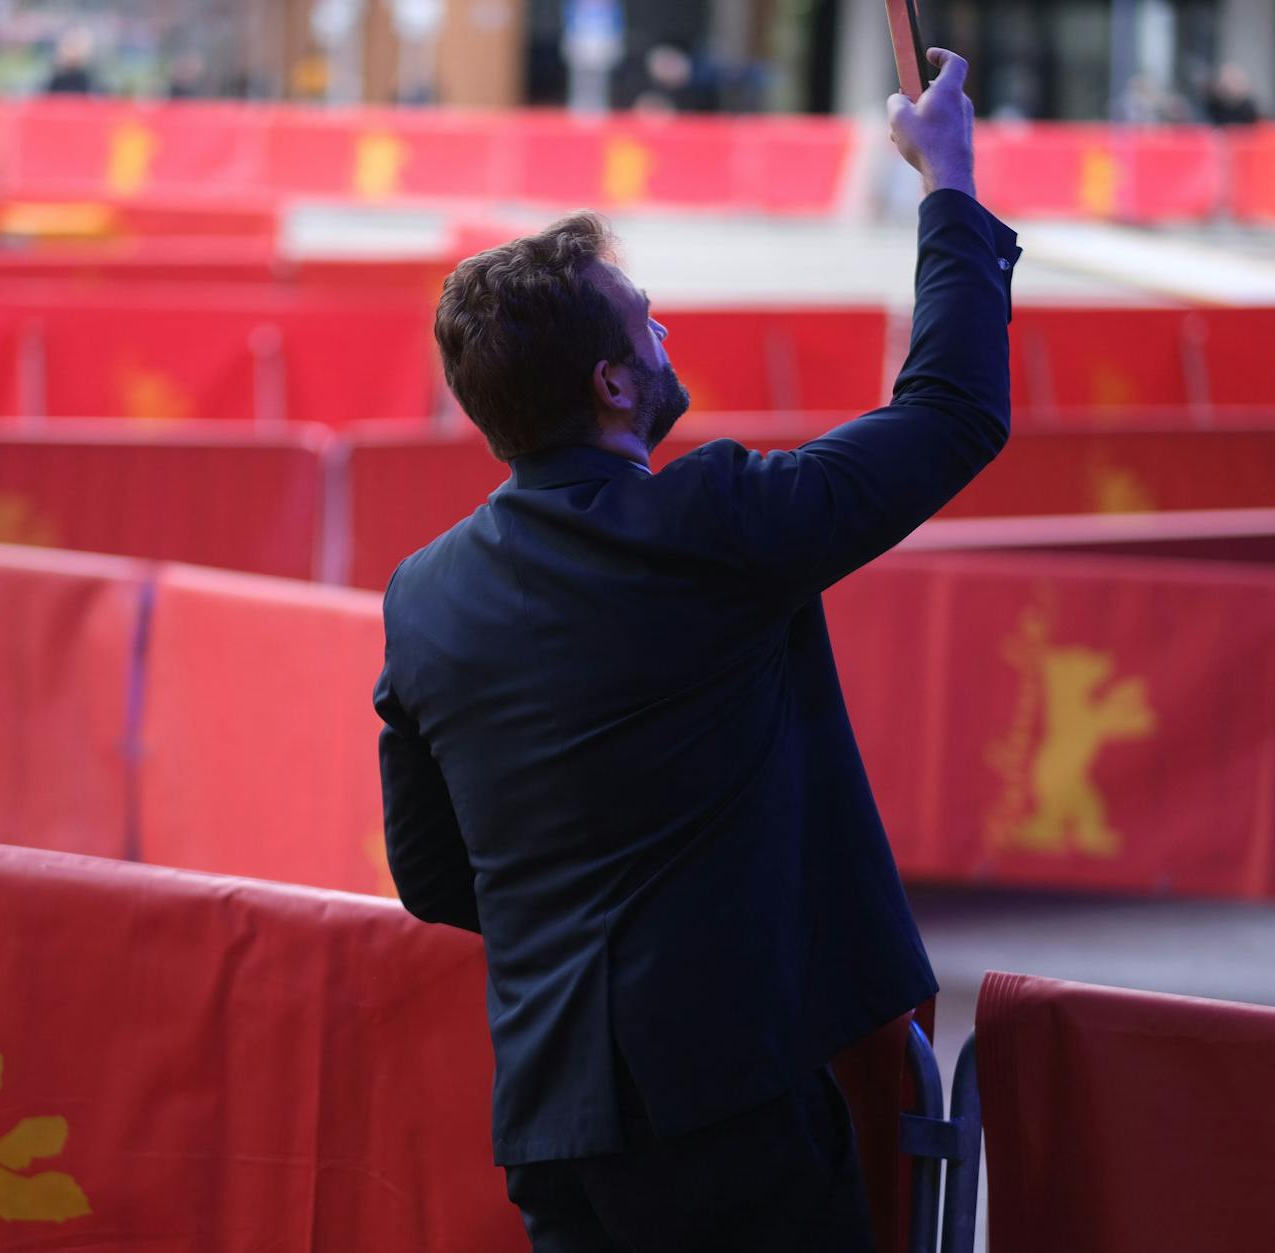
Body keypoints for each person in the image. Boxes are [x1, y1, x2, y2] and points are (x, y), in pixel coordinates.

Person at [373, 47, 1018, 1252]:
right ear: (615, 381)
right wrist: (948, 184)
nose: (666, 332)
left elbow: (431, 875)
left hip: (553, 1131)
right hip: (731, 1104)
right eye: (647, 323)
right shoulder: (709, 523)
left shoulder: (423, 594)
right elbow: (951, 411)